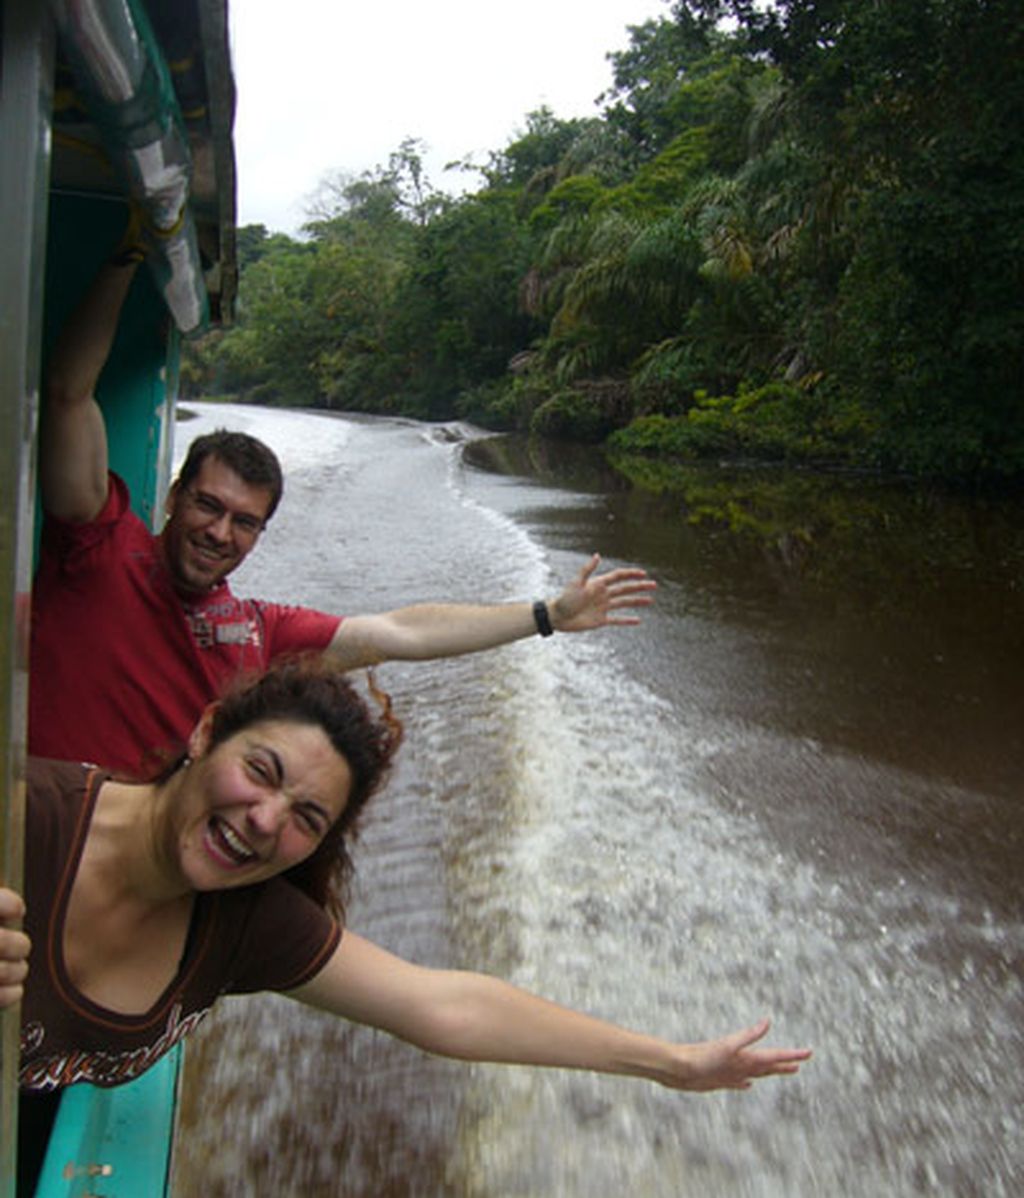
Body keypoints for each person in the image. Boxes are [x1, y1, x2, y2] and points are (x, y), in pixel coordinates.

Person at [1, 658, 810, 1166]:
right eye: (261, 769)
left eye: (306, 819)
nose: (264, 819)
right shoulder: (27, 818)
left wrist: (672, 1064)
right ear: (207, 732)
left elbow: (442, 1006)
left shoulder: (243, 921)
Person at [30, 234, 656, 779]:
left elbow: (397, 633)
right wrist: (129, 253)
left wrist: (548, 613)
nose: (220, 532)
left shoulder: (258, 632)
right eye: (207, 506)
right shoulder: (101, 544)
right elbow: (66, 394)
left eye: (244, 522)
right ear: (173, 497)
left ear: (260, 533)